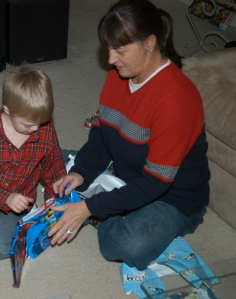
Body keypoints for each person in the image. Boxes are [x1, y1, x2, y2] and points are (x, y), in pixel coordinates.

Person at [48, 0, 210, 271]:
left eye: (120, 50)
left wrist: (92, 209)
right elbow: (102, 134)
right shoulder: (118, 76)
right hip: (126, 171)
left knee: (124, 246)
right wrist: (82, 171)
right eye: (109, 49)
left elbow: (156, 183)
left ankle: (105, 205)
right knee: (49, 163)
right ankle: (106, 196)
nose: (111, 60)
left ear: (149, 43)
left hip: (171, 197)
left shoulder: (176, 100)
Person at [0, 65, 66, 260]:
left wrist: (53, 205)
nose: (35, 129)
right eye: (27, 124)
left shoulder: (45, 130)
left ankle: (24, 218)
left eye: (40, 123)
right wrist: (5, 197)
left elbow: (53, 168)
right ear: (7, 110)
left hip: (18, 201)